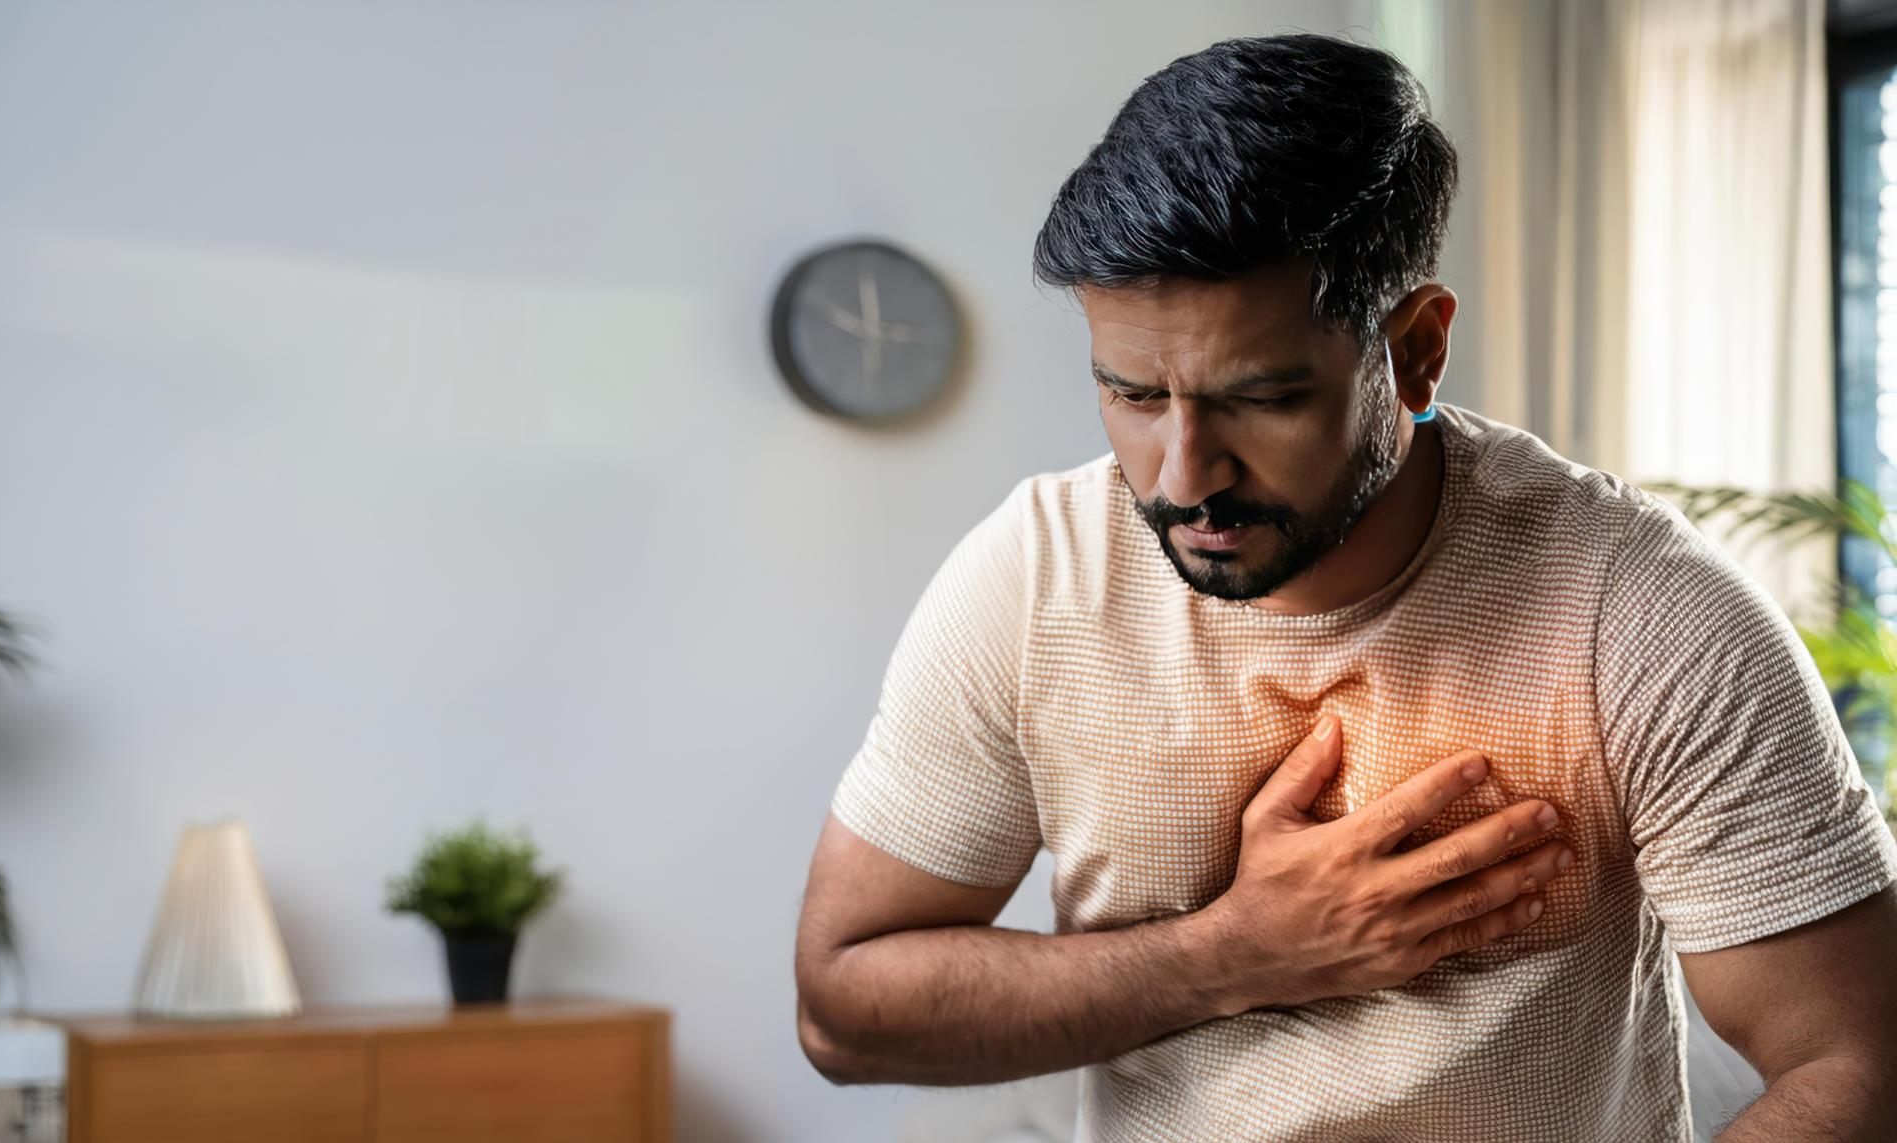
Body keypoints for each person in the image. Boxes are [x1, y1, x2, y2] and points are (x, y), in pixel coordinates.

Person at [792, 31, 1897, 1142]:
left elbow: (1856, 1062)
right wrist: (1231, 956)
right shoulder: (1037, 578)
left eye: (1261, 398)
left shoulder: (1641, 614)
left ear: (1415, 350)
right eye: (1133, 394)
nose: (1184, 478)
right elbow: (843, 1012)